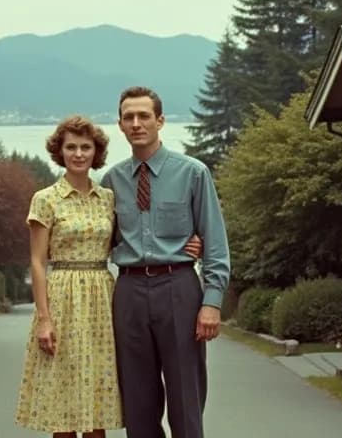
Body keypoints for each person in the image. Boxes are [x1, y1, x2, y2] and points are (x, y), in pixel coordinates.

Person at [14, 115, 201, 438]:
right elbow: (36, 260)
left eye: (85, 147)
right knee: (65, 395)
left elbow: (134, 237)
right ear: (59, 151)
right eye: (70, 147)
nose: (78, 154)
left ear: (95, 152)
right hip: (63, 297)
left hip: (102, 299)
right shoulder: (45, 199)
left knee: (97, 392)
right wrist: (44, 318)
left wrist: (186, 243)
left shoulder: (108, 198)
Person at [100, 86, 230, 438]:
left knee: (186, 396)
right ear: (120, 125)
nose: (137, 123)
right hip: (128, 291)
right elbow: (99, 241)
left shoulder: (193, 173)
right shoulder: (111, 181)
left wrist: (212, 303)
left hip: (179, 288)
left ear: (160, 121)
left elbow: (216, 243)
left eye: (144, 116)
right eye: (129, 117)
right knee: (138, 402)